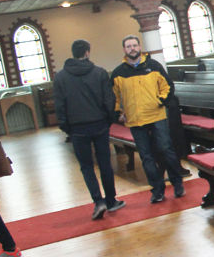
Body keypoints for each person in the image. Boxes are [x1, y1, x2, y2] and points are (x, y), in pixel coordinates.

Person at [54, 39, 125, 219]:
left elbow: (60, 105)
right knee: (105, 163)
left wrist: (66, 127)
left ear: (73, 53)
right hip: (99, 124)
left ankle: (98, 202)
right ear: (87, 52)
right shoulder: (99, 73)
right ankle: (111, 201)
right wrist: (109, 120)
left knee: (86, 166)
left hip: (77, 127)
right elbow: (109, 99)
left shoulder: (60, 77)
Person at [111, 35, 185, 203]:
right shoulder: (118, 73)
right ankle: (157, 190)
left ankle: (177, 183)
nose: (132, 49)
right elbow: (113, 97)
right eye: (128, 46)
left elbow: (167, 86)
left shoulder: (153, 66)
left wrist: (160, 101)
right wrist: (118, 113)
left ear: (139, 47)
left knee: (166, 149)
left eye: (134, 45)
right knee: (146, 156)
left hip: (156, 115)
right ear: (124, 50)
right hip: (135, 120)